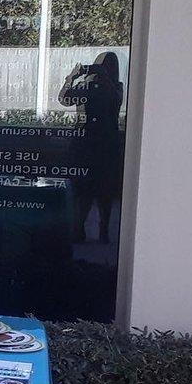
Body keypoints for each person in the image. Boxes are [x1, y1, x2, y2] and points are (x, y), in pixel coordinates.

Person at [58, 51, 124, 243]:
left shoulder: (115, 88)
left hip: (105, 144)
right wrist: (72, 78)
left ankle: (104, 230)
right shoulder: (86, 86)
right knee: (84, 188)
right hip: (86, 142)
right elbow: (64, 99)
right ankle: (79, 228)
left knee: (105, 190)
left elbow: (115, 100)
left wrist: (102, 78)